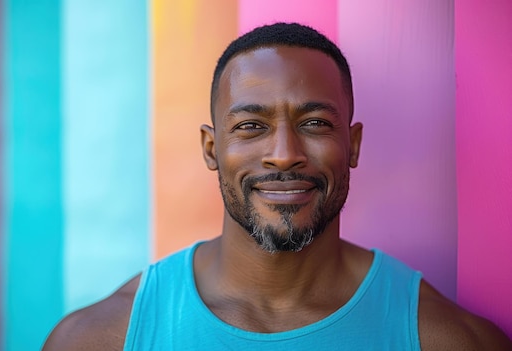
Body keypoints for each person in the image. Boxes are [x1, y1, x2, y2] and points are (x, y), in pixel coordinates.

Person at [43, 23, 511, 350]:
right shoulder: (100, 339)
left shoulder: (445, 339)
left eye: (314, 122)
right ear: (211, 149)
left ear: (352, 144)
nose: (285, 153)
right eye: (250, 126)